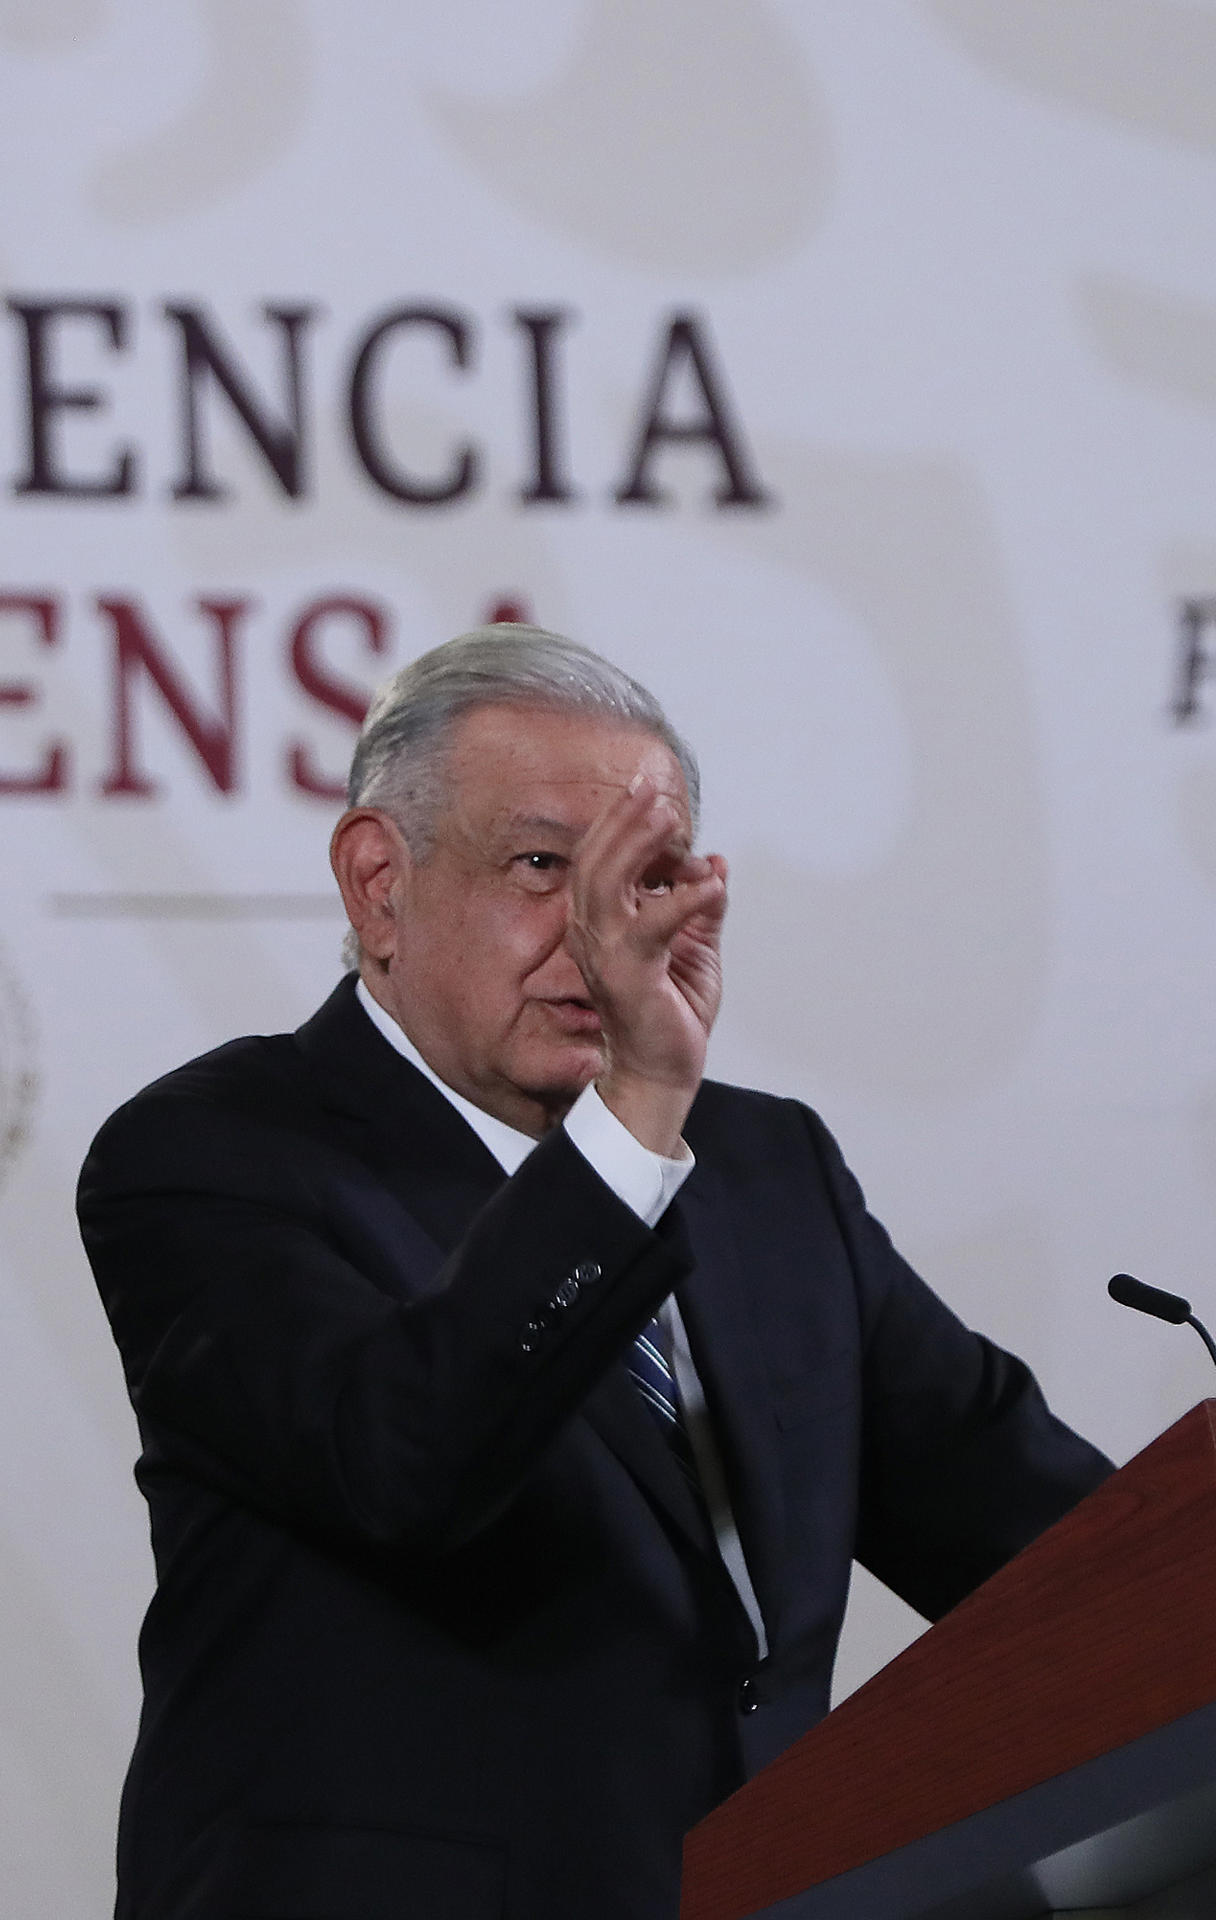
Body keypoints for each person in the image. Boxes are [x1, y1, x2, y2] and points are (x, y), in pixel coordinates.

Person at [79, 624, 1111, 1920]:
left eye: (643, 879)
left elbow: (1045, 1543)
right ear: (377, 881)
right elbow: (405, 1457)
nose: (599, 936)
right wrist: (633, 1119)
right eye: (540, 866)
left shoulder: (766, 1169)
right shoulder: (213, 1156)